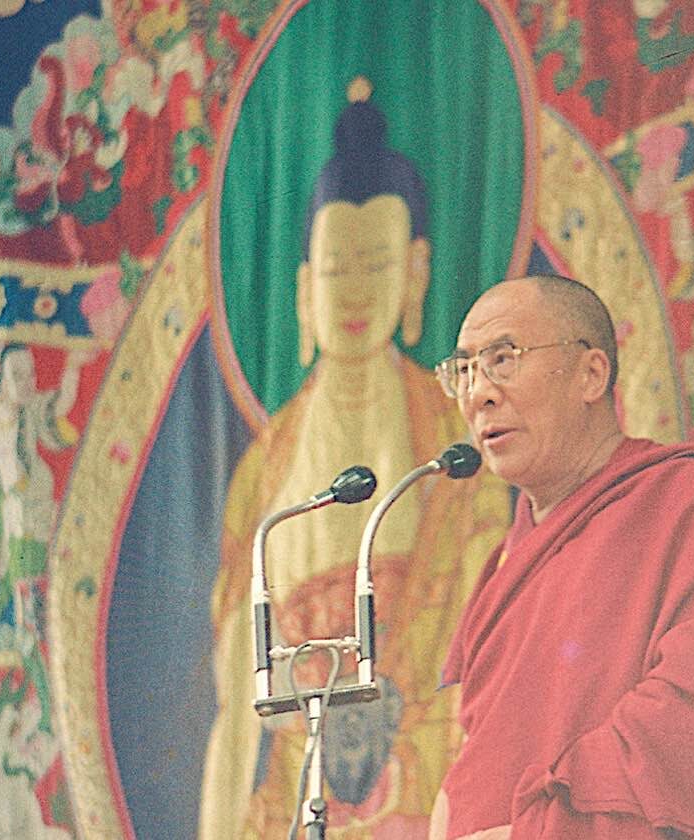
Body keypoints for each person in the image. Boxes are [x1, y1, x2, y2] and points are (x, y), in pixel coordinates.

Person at [198, 79, 510, 839]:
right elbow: (238, 706)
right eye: (338, 269)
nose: (357, 292)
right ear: (305, 290)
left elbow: (489, 677)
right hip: (296, 798)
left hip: (425, 792)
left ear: (417, 272)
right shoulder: (265, 481)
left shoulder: (455, 452)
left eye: (379, 263)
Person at [428, 275, 694, 839]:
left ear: (592, 374)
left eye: (502, 359)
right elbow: (489, 746)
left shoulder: (689, 500)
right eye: (464, 369)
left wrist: (534, 830)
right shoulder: (504, 562)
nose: (477, 393)